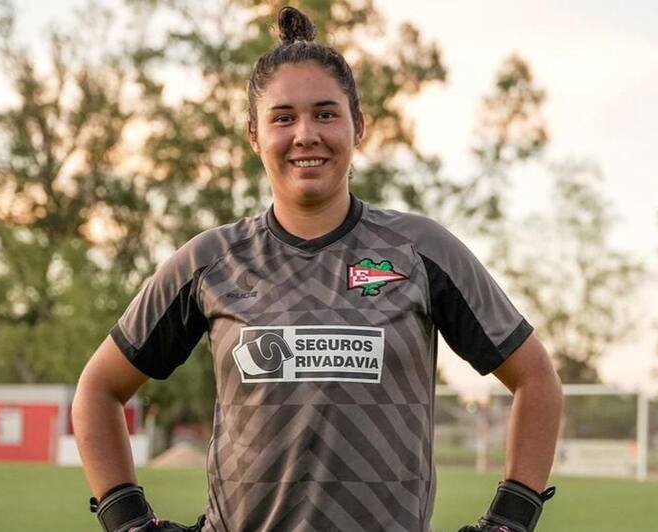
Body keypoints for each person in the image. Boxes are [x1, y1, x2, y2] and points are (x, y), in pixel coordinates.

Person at [72, 6, 563, 532]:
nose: (305, 134)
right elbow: (98, 390)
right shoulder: (208, 262)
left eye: (326, 114)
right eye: (283, 118)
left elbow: (535, 380)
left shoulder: (422, 251)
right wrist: (127, 520)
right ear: (255, 136)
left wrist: (513, 517)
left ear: (359, 127)